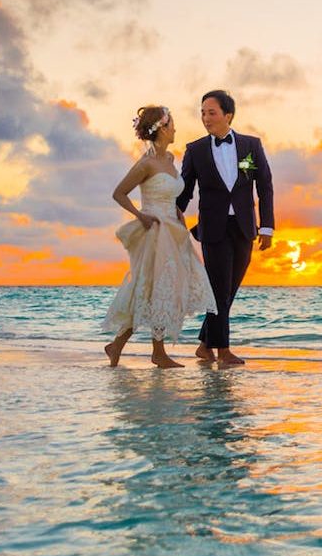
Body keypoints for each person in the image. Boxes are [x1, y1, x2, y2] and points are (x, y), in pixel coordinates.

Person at [103, 105, 216, 368]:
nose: (175, 128)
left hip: (173, 230)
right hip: (153, 231)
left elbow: (169, 192)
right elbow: (119, 193)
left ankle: (119, 345)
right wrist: (140, 215)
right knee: (154, 288)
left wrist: (177, 209)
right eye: (172, 124)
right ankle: (157, 352)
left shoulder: (170, 160)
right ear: (162, 128)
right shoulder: (146, 163)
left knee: (164, 289)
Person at [176, 89, 274, 367]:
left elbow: (264, 186)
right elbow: (185, 191)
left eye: (212, 112)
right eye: (203, 113)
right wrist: (170, 213)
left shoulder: (251, 145)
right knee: (219, 289)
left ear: (228, 115)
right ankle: (223, 351)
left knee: (229, 290)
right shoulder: (195, 150)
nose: (206, 118)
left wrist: (267, 227)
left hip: (243, 227)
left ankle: (205, 345)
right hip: (213, 228)